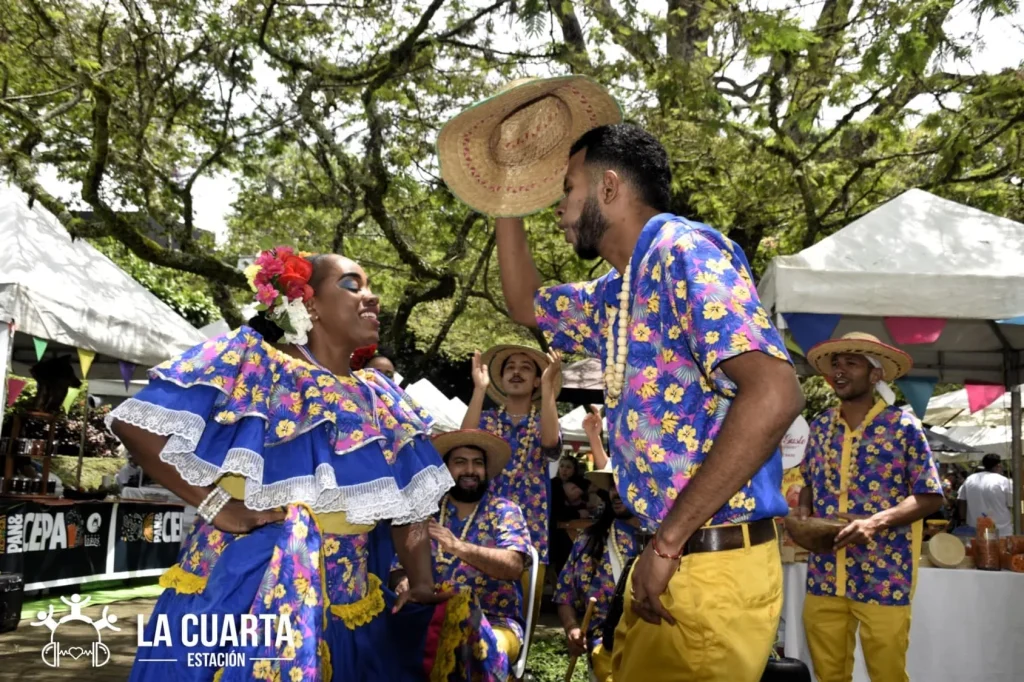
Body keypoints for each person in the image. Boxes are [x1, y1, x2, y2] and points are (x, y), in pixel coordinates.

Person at [492, 123, 804, 681]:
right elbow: (524, 303)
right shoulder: (623, 288)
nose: (560, 210)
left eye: (568, 189)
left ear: (608, 188)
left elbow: (777, 392)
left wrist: (666, 543)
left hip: (706, 566)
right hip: (674, 562)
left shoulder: (682, 252)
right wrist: (506, 194)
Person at [106, 247, 469, 682]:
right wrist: (215, 506)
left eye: (371, 286)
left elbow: (410, 507)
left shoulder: (381, 395)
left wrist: (422, 580)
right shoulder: (256, 363)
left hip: (346, 604)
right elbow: (136, 425)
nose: (371, 296)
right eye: (352, 284)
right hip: (243, 590)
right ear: (309, 302)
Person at [797, 332, 944, 682]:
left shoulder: (903, 427)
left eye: (851, 363)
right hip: (825, 573)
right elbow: (808, 482)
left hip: (884, 573)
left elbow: (930, 494)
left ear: (875, 374)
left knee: (887, 674)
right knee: (828, 673)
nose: (839, 371)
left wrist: (876, 522)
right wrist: (803, 515)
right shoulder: (819, 427)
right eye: (836, 364)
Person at [393, 429, 531, 681]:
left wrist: (458, 546)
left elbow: (513, 566)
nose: (470, 470)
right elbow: (397, 567)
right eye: (460, 462)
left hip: (494, 620)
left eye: (477, 463)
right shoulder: (426, 512)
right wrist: (403, 580)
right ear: (445, 470)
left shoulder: (505, 511)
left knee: (469, 645)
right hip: (428, 616)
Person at [462, 345, 562, 618]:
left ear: (536, 380)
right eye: (510, 367)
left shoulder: (544, 421)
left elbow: (551, 443)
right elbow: (464, 441)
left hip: (529, 532)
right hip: (484, 527)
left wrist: (549, 387)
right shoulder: (487, 420)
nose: (517, 372)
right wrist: (479, 389)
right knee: (471, 611)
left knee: (522, 615)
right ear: (501, 378)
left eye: (526, 368)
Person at [555, 464, 640, 682]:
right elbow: (565, 594)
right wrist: (572, 628)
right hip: (605, 649)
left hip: (655, 647)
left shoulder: (666, 539)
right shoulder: (590, 539)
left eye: (625, 482)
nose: (616, 492)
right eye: (613, 484)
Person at [958, 454, 1012, 537]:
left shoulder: (970, 479)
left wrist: (962, 520)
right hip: (1001, 532)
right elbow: (1013, 504)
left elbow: (961, 500)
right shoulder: (1003, 481)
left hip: (975, 530)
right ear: (998, 465)